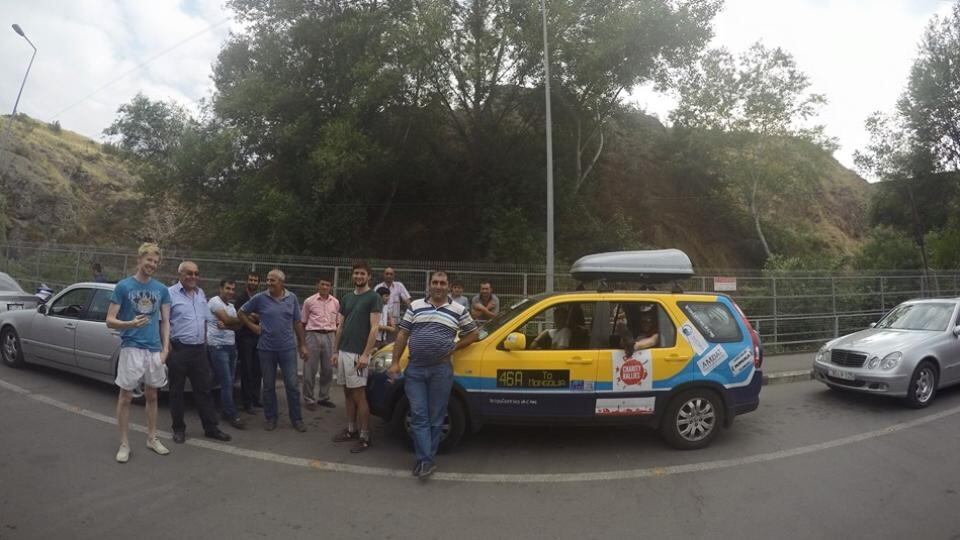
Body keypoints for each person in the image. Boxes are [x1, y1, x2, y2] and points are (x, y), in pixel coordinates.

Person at [388, 271, 479, 479]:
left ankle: (426, 458)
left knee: (436, 417)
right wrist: (394, 362)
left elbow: (473, 333)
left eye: (442, 283)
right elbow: (403, 333)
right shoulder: (415, 306)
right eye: (435, 282)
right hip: (416, 369)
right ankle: (425, 460)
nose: (438, 286)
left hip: (441, 370)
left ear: (448, 286)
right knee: (419, 414)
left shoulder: (458, 309)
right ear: (430, 285)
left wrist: (455, 346)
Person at [106, 242, 171, 463]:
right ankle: (124, 443)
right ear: (139, 259)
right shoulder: (123, 287)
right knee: (125, 397)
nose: (152, 264)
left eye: (155, 261)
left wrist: (165, 349)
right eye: (149, 260)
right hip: (131, 348)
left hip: (153, 350)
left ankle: (152, 438)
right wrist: (130, 324)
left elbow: (165, 322)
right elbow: (109, 321)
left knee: (152, 395)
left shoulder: (161, 290)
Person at [167, 261, 231, 444]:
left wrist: (204, 342)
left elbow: (203, 321)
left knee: (204, 391)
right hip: (179, 349)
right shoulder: (170, 294)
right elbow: (162, 321)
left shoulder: (200, 293)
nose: (193, 277)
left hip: (198, 350)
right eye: (189, 273)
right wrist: (167, 346)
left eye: (196, 273)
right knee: (176, 392)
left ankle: (211, 428)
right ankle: (178, 429)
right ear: (180, 274)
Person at [238, 269, 309, 432]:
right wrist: (253, 327)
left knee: (292, 385)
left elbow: (297, 322)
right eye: (268, 280)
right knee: (268, 386)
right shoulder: (260, 298)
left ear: (281, 282)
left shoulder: (291, 298)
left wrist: (302, 344)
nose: (269, 283)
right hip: (266, 349)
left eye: (273, 280)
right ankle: (271, 418)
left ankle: (296, 419)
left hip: (287, 349)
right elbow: (241, 312)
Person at [331, 261, 382, 453]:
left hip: (358, 354)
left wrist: (365, 354)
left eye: (362, 273)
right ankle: (351, 430)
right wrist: (335, 351)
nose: (359, 276)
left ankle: (365, 436)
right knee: (347, 392)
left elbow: (375, 327)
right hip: (344, 351)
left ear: (369, 276)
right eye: (356, 273)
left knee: (359, 395)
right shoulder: (346, 298)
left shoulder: (374, 297)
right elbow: (341, 326)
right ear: (353, 276)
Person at [207, 279, 245, 429]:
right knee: (226, 382)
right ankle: (231, 414)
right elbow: (229, 320)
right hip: (218, 346)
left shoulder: (231, 306)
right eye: (227, 288)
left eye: (232, 289)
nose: (230, 292)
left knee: (223, 381)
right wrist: (238, 320)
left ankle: (219, 409)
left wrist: (230, 324)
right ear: (220, 289)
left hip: (231, 347)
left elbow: (237, 327)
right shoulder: (215, 302)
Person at [300, 276, 339, 411]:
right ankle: (309, 398)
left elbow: (338, 323)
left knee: (328, 369)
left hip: (330, 335)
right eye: (322, 284)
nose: (325, 287)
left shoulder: (335, 302)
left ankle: (324, 397)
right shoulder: (309, 301)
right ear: (318, 285)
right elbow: (303, 322)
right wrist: (302, 344)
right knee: (310, 369)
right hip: (313, 335)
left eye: (327, 285)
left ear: (330, 287)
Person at [235, 272, 263, 414]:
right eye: (251, 279)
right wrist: (252, 316)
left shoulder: (260, 297)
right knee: (247, 369)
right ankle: (247, 403)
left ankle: (256, 398)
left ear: (258, 282)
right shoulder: (241, 297)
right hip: (245, 337)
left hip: (258, 337)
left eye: (255, 280)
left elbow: (261, 314)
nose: (253, 281)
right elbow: (242, 315)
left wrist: (253, 315)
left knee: (258, 369)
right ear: (247, 281)